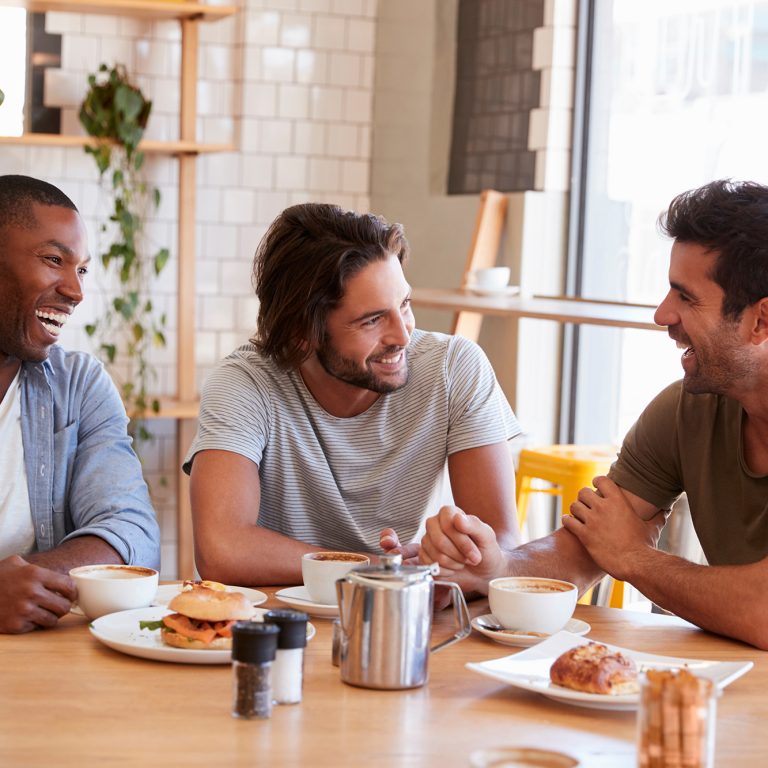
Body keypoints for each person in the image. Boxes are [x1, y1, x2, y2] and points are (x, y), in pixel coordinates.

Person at [417, 179, 768, 649]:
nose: (662, 315)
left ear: (760, 321)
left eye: (686, 297)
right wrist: (496, 568)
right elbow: (586, 548)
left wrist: (634, 558)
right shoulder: (688, 410)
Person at [185, 203, 522, 586]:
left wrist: (462, 557)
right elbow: (222, 549)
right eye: (373, 320)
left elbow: (503, 545)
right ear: (303, 331)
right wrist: (380, 570)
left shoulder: (454, 368)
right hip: (278, 626)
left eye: (404, 304)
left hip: (399, 616)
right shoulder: (244, 385)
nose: (403, 335)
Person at [0, 175, 160, 634]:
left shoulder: (79, 385)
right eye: (54, 260)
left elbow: (133, 535)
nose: (75, 291)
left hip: (43, 669)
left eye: (82, 270)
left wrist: (27, 582)